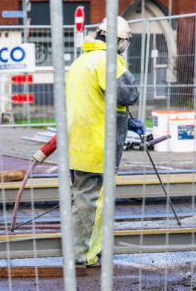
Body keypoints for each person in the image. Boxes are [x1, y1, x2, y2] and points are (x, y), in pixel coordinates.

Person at [58, 16, 144, 266]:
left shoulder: (80, 62)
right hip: (97, 147)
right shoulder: (107, 61)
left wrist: (124, 122)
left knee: (90, 203)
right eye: (125, 42)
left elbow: (93, 103)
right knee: (90, 205)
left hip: (78, 145)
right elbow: (130, 94)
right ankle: (80, 254)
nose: (125, 47)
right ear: (118, 40)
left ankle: (91, 252)